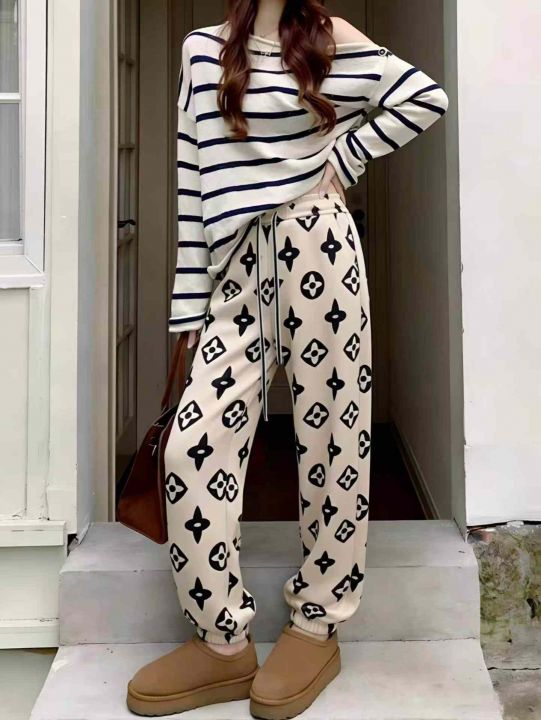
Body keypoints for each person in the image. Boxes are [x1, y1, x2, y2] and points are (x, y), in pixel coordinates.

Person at [126, 1, 449, 717]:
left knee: (335, 441)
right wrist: (189, 310)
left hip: (321, 249)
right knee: (189, 449)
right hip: (236, 270)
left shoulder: (329, 38)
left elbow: (423, 97)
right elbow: (192, 184)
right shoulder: (202, 50)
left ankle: (318, 622)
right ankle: (221, 641)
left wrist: (341, 157)